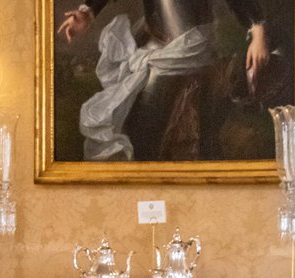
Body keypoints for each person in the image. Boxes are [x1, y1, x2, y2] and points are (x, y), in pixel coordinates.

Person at [58, 0, 270, 161]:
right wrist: (87, 11)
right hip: (153, 43)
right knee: (126, 115)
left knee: (148, 116)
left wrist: (257, 30)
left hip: (191, 47)